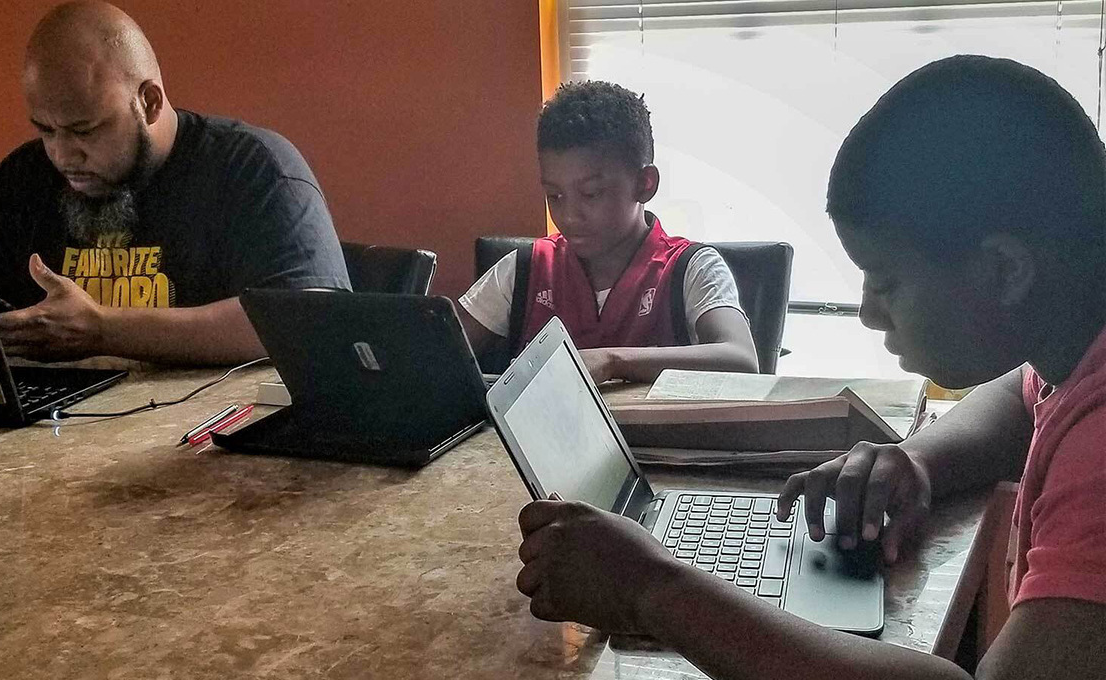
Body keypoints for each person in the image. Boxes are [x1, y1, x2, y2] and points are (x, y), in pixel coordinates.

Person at [514, 56, 1106, 680]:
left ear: (1005, 270)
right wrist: (920, 459)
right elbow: (1022, 394)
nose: (871, 314)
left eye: (887, 281)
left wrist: (653, 591)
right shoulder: (1072, 334)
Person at [0, 1, 350, 365]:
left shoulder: (253, 167)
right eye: (46, 130)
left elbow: (305, 317)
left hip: (203, 435)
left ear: (150, 102)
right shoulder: (21, 180)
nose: (63, 155)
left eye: (85, 130)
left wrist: (101, 330)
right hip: (51, 436)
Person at [457, 81, 758, 383]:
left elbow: (741, 359)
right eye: (555, 196)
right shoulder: (524, 268)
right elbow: (438, 360)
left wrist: (611, 360)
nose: (570, 216)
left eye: (591, 194)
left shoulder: (690, 267)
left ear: (645, 184)